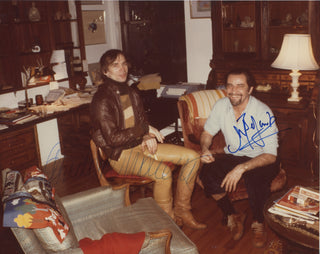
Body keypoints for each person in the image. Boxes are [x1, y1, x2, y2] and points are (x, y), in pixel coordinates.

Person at [90, 49, 206, 229]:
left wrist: (145, 134)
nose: (122, 69)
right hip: (121, 155)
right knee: (163, 173)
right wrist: (143, 131)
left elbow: (142, 121)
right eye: (115, 65)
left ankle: (182, 209)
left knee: (193, 157)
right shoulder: (102, 99)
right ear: (106, 72)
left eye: (124, 63)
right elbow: (113, 139)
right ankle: (166, 222)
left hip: (139, 145)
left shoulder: (131, 92)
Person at [199, 68, 280, 247]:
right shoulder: (221, 106)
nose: (234, 90)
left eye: (240, 86)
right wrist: (204, 148)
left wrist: (242, 168)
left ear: (250, 89)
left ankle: (258, 222)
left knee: (255, 179)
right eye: (230, 85)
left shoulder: (262, 112)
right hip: (234, 154)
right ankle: (232, 214)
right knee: (207, 173)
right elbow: (207, 133)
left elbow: (271, 155)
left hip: (262, 157)